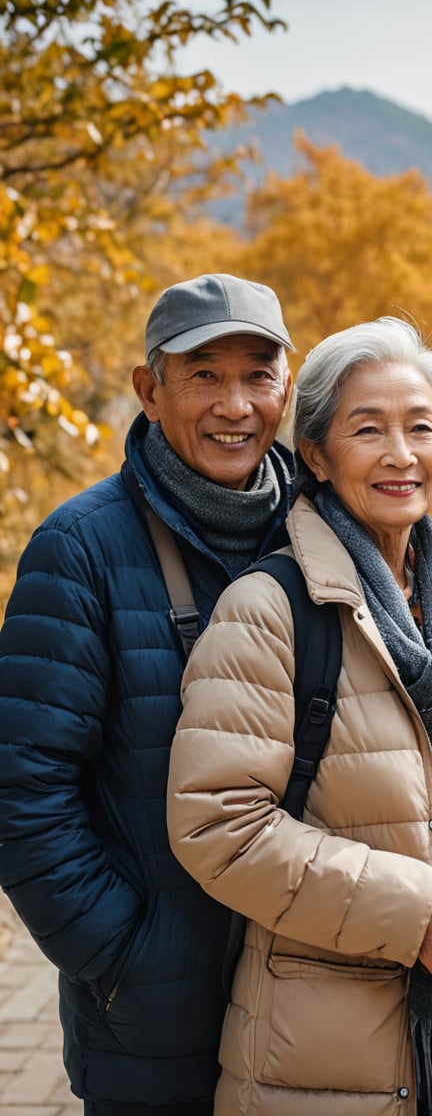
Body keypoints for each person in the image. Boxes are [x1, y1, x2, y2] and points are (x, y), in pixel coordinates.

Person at [166, 316, 432, 1116]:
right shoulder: (268, 609)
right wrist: (412, 910)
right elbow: (216, 824)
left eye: (420, 427)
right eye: (367, 430)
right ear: (315, 452)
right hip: (316, 1058)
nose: (399, 454)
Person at [0, 274, 296, 1116]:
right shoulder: (81, 547)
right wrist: (128, 959)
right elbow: (23, 792)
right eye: (204, 374)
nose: (235, 404)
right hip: (157, 1015)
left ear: (287, 387)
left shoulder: (325, 527)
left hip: (319, 994)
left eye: (257, 374)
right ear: (149, 390)